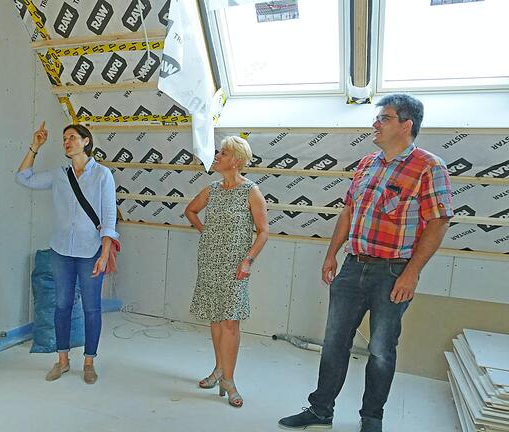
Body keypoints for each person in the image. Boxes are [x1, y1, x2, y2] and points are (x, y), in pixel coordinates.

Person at [278, 94, 454, 432]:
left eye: (384, 118)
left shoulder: (430, 167)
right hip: (352, 265)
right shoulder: (367, 163)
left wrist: (412, 273)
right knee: (334, 342)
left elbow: (438, 222)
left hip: (393, 272)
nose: (375, 124)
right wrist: (332, 254)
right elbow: (348, 211)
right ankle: (320, 410)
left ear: (407, 125)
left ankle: (371, 418)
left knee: (381, 350)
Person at [15, 122, 118, 385]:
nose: (67, 142)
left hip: (90, 250)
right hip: (61, 250)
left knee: (92, 308)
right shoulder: (59, 174)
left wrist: (104, 254)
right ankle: (62, 360)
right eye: (64, 139)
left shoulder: (102, 175)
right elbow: (23, 178)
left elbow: (109, 219)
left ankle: (89, 361)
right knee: (61, 306)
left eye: (72, 137)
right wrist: (35, 146)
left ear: (86, 141)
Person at [184, 136, 269, 408]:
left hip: (235, 266)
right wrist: (206, 233)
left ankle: (229, 380)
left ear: (237, 160)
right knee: (216, 318)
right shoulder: (212, 189)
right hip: (210, 262)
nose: (217, 156)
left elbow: (263, 232)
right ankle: (219, 370)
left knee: (230, 320)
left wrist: (248, 261)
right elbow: (190, 211)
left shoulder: (251, 191)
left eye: (223, 153)